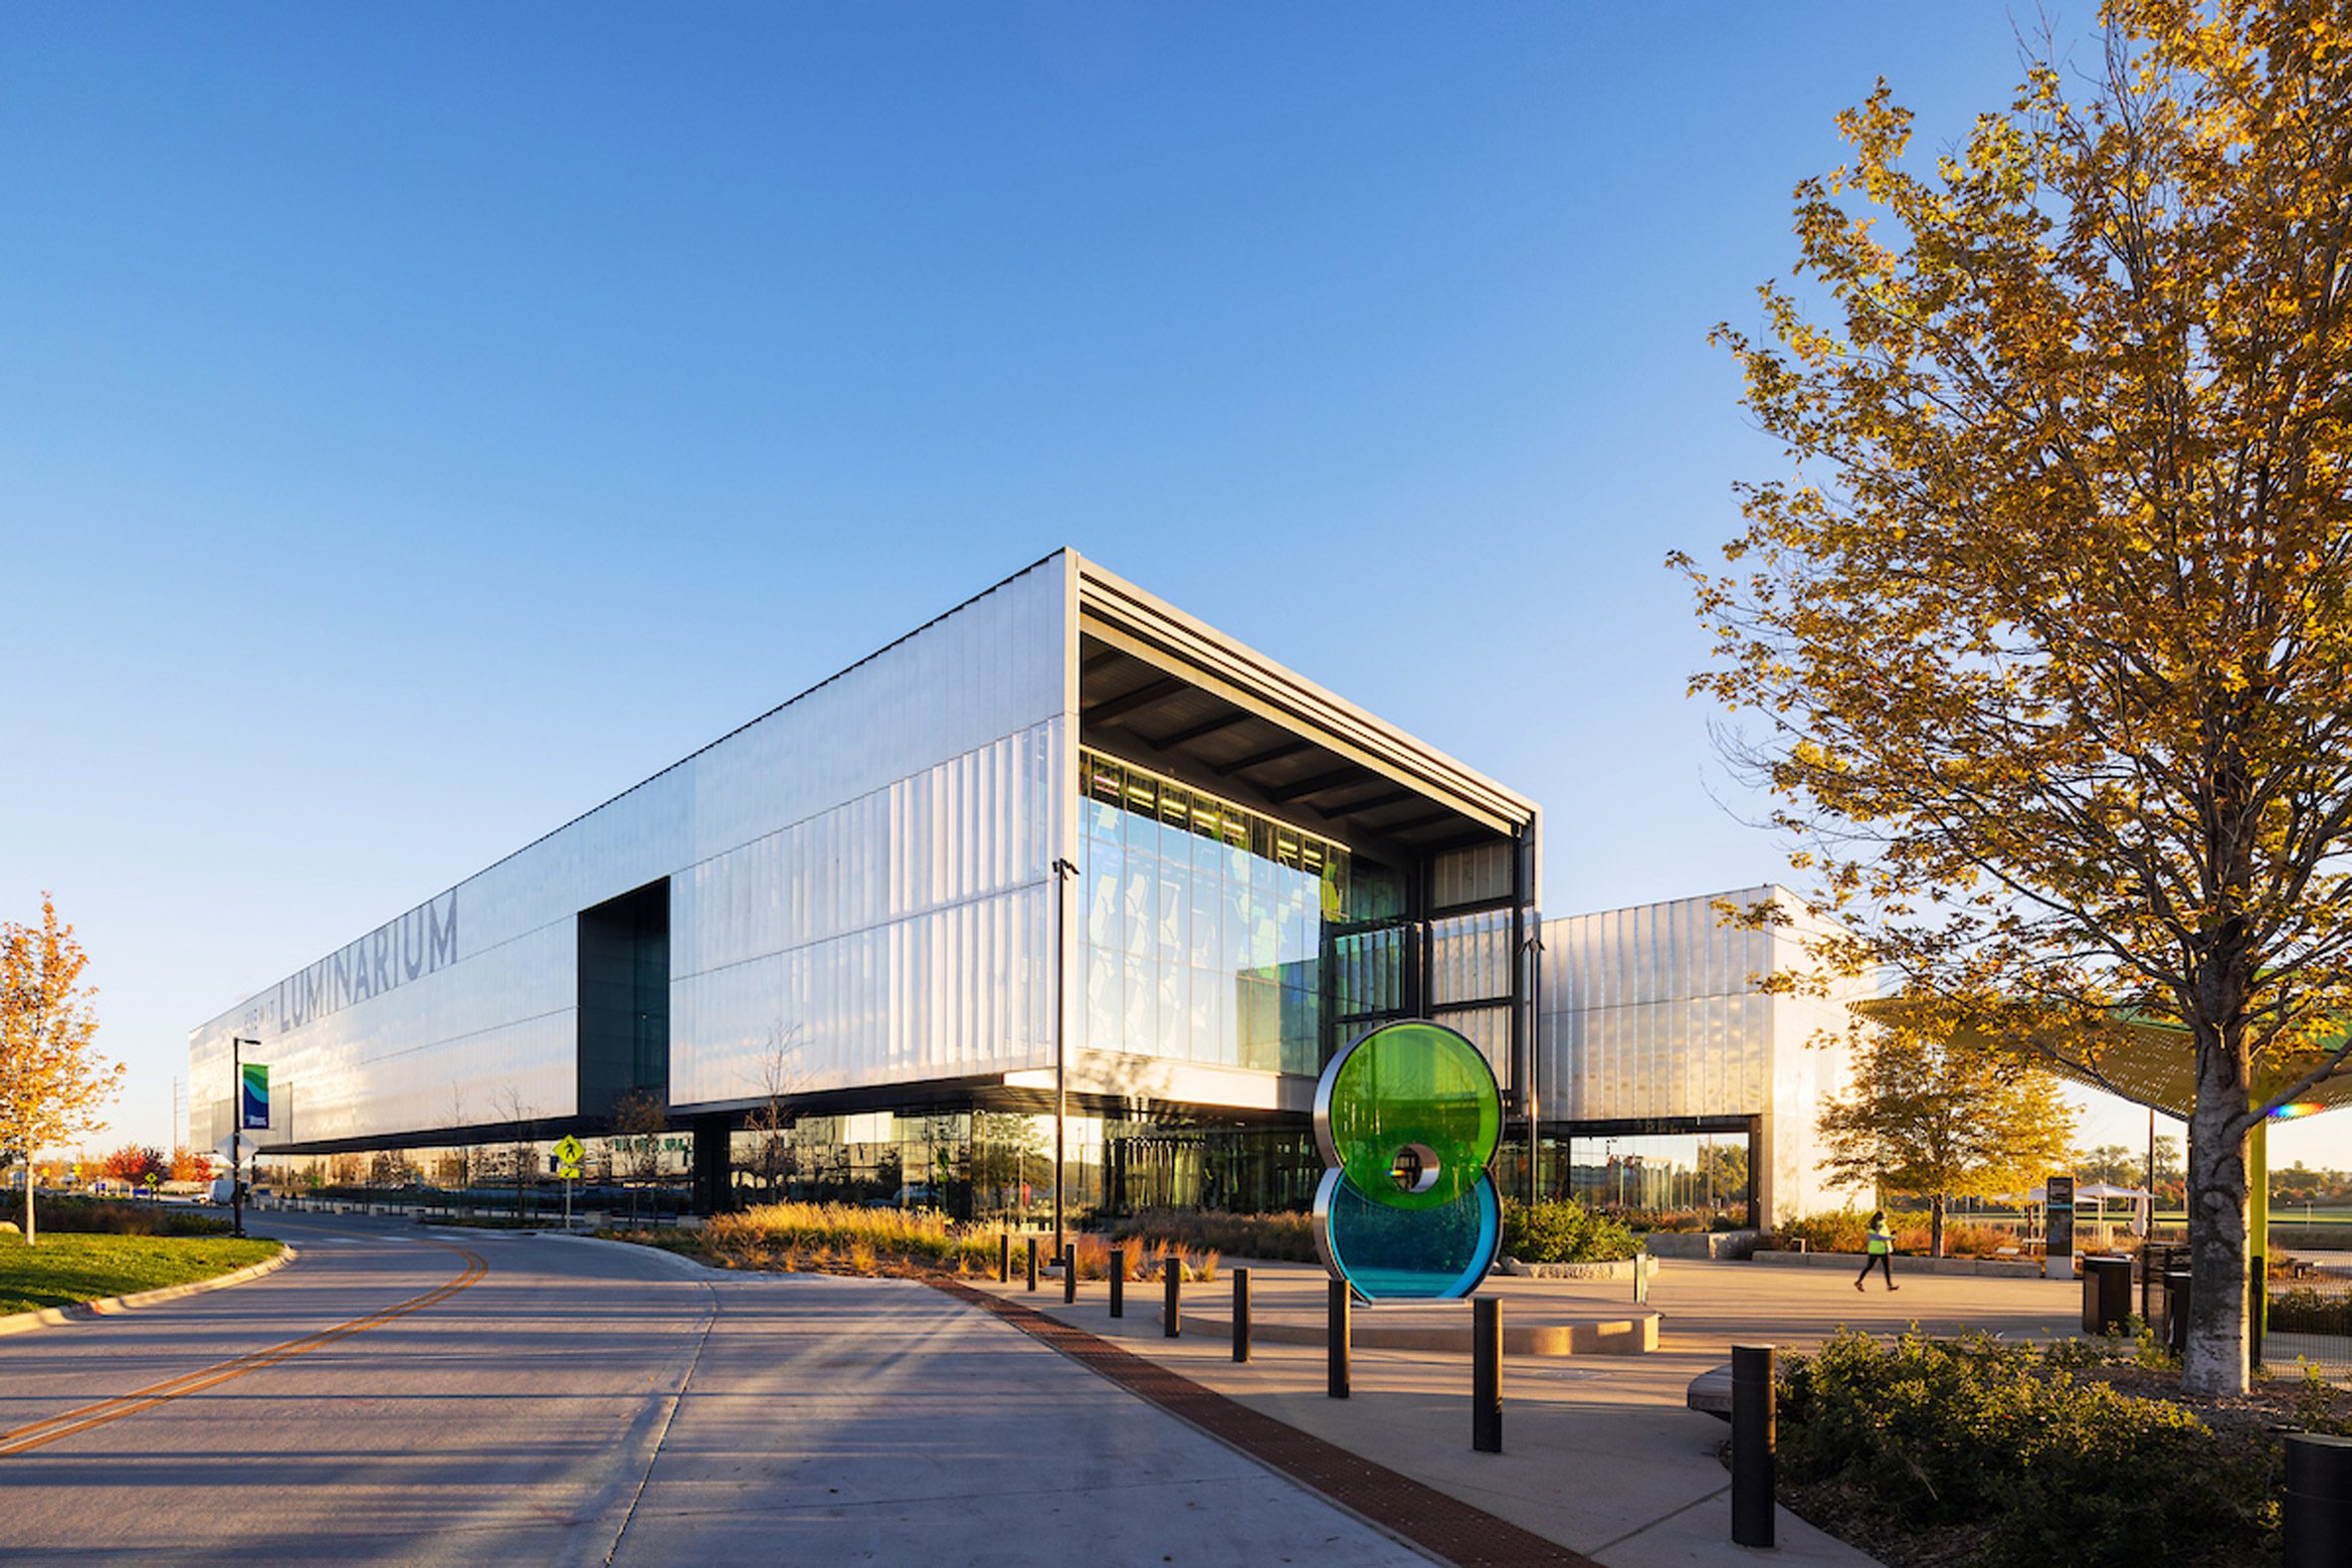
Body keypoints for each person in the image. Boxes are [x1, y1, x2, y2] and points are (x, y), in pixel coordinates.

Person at [1856, 1210, 1898, 1291]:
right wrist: (1889, 1238)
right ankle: (1889, 1285)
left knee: (1869, 1267)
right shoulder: (1881, 1225)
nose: (1886, 1219)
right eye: (1886, 1217)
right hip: (1882, 1249)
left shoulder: (1873, 1225)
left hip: (1874, 1249)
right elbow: (1877, 1236)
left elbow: (1875, 1236)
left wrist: (1890, 1235)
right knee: (1887, 1268)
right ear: (1883, 1218)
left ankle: (1859, 1281)